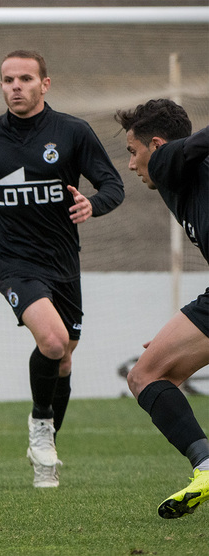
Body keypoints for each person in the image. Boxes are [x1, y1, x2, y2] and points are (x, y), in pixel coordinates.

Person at [0, 50, 124, 488]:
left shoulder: (72, 131)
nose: (16, 86)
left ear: (44, 84)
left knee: (64, 359)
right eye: (8, 80)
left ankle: (45, 449)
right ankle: (39, 425)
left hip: (62, 261)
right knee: (52, 342)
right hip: (12, 260)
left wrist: (94, 204)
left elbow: (113, 184)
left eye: (26, 79)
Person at [115, 99, 209, 519]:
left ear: (156, 145)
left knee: (144, 375)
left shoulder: (166, 159)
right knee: (149, 373)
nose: (131, 164)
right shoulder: (186, 176)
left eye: (132, 151)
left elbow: (191, 145)